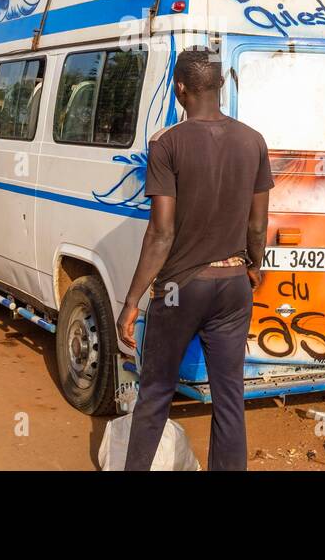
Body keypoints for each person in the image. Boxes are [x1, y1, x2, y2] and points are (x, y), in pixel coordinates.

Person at [118, 49, 273, 471]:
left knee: (155, 395)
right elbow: (258, 226)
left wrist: (132, 302)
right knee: (229, 397)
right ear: (220, 85)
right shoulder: (253, 141)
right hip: (233, 284)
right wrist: (254, 266)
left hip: (177, 288)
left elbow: (161, 232)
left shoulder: (167, 144)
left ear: (180, 88)